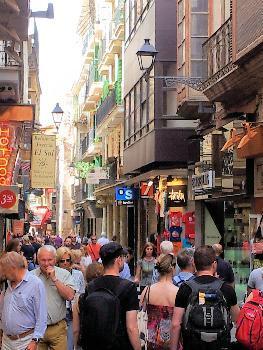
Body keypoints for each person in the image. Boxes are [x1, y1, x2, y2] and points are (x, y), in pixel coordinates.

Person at [171, 245, 240, 350]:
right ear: (214, 264)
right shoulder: (226, 289)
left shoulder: (186, 288)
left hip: (192, 345)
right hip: (220, 345)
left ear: (194, 263)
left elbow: (176, 324)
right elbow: (237, 319)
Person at [79, 242, 141, 350]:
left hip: (95, 344)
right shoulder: (129, 287)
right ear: (118, 260)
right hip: (119, 344)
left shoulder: (91, 286)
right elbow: (131, 327)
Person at [31, 245, 76, 350]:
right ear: (38, 260)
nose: (46, 263)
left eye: (50, 260)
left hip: (57, 328)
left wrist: (55, 279)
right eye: (43, 260)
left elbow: (70, 296)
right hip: (36, 330)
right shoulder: (31, 276)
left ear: (55, 259)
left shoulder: (64, 274)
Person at [0, 252, 47, 350]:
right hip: (6, 341)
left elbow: (41, 316)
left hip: (25, 342)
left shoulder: (35, 284)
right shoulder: (7, 284)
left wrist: (35, 341)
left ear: (12, 268)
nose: (3, 274)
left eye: (4, 270)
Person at [140, 254, 178, 349]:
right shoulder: (178, 292)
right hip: (172, 340)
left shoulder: (147, 290)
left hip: (150, 340)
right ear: (173, 268)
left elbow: (141, 313)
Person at [56, 247, 85, 350]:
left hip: (73, 313)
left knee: (71, 344)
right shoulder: (54, 275)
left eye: (67, 260)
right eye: (62, 261)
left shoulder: (78, 275)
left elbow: (82, 293)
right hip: (59, 313)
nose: (65, 263)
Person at [72, 262, 104, 349]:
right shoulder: (111, 296)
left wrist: (75, 346)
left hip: (87, 342)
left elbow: (76, 330)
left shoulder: (80, 299)